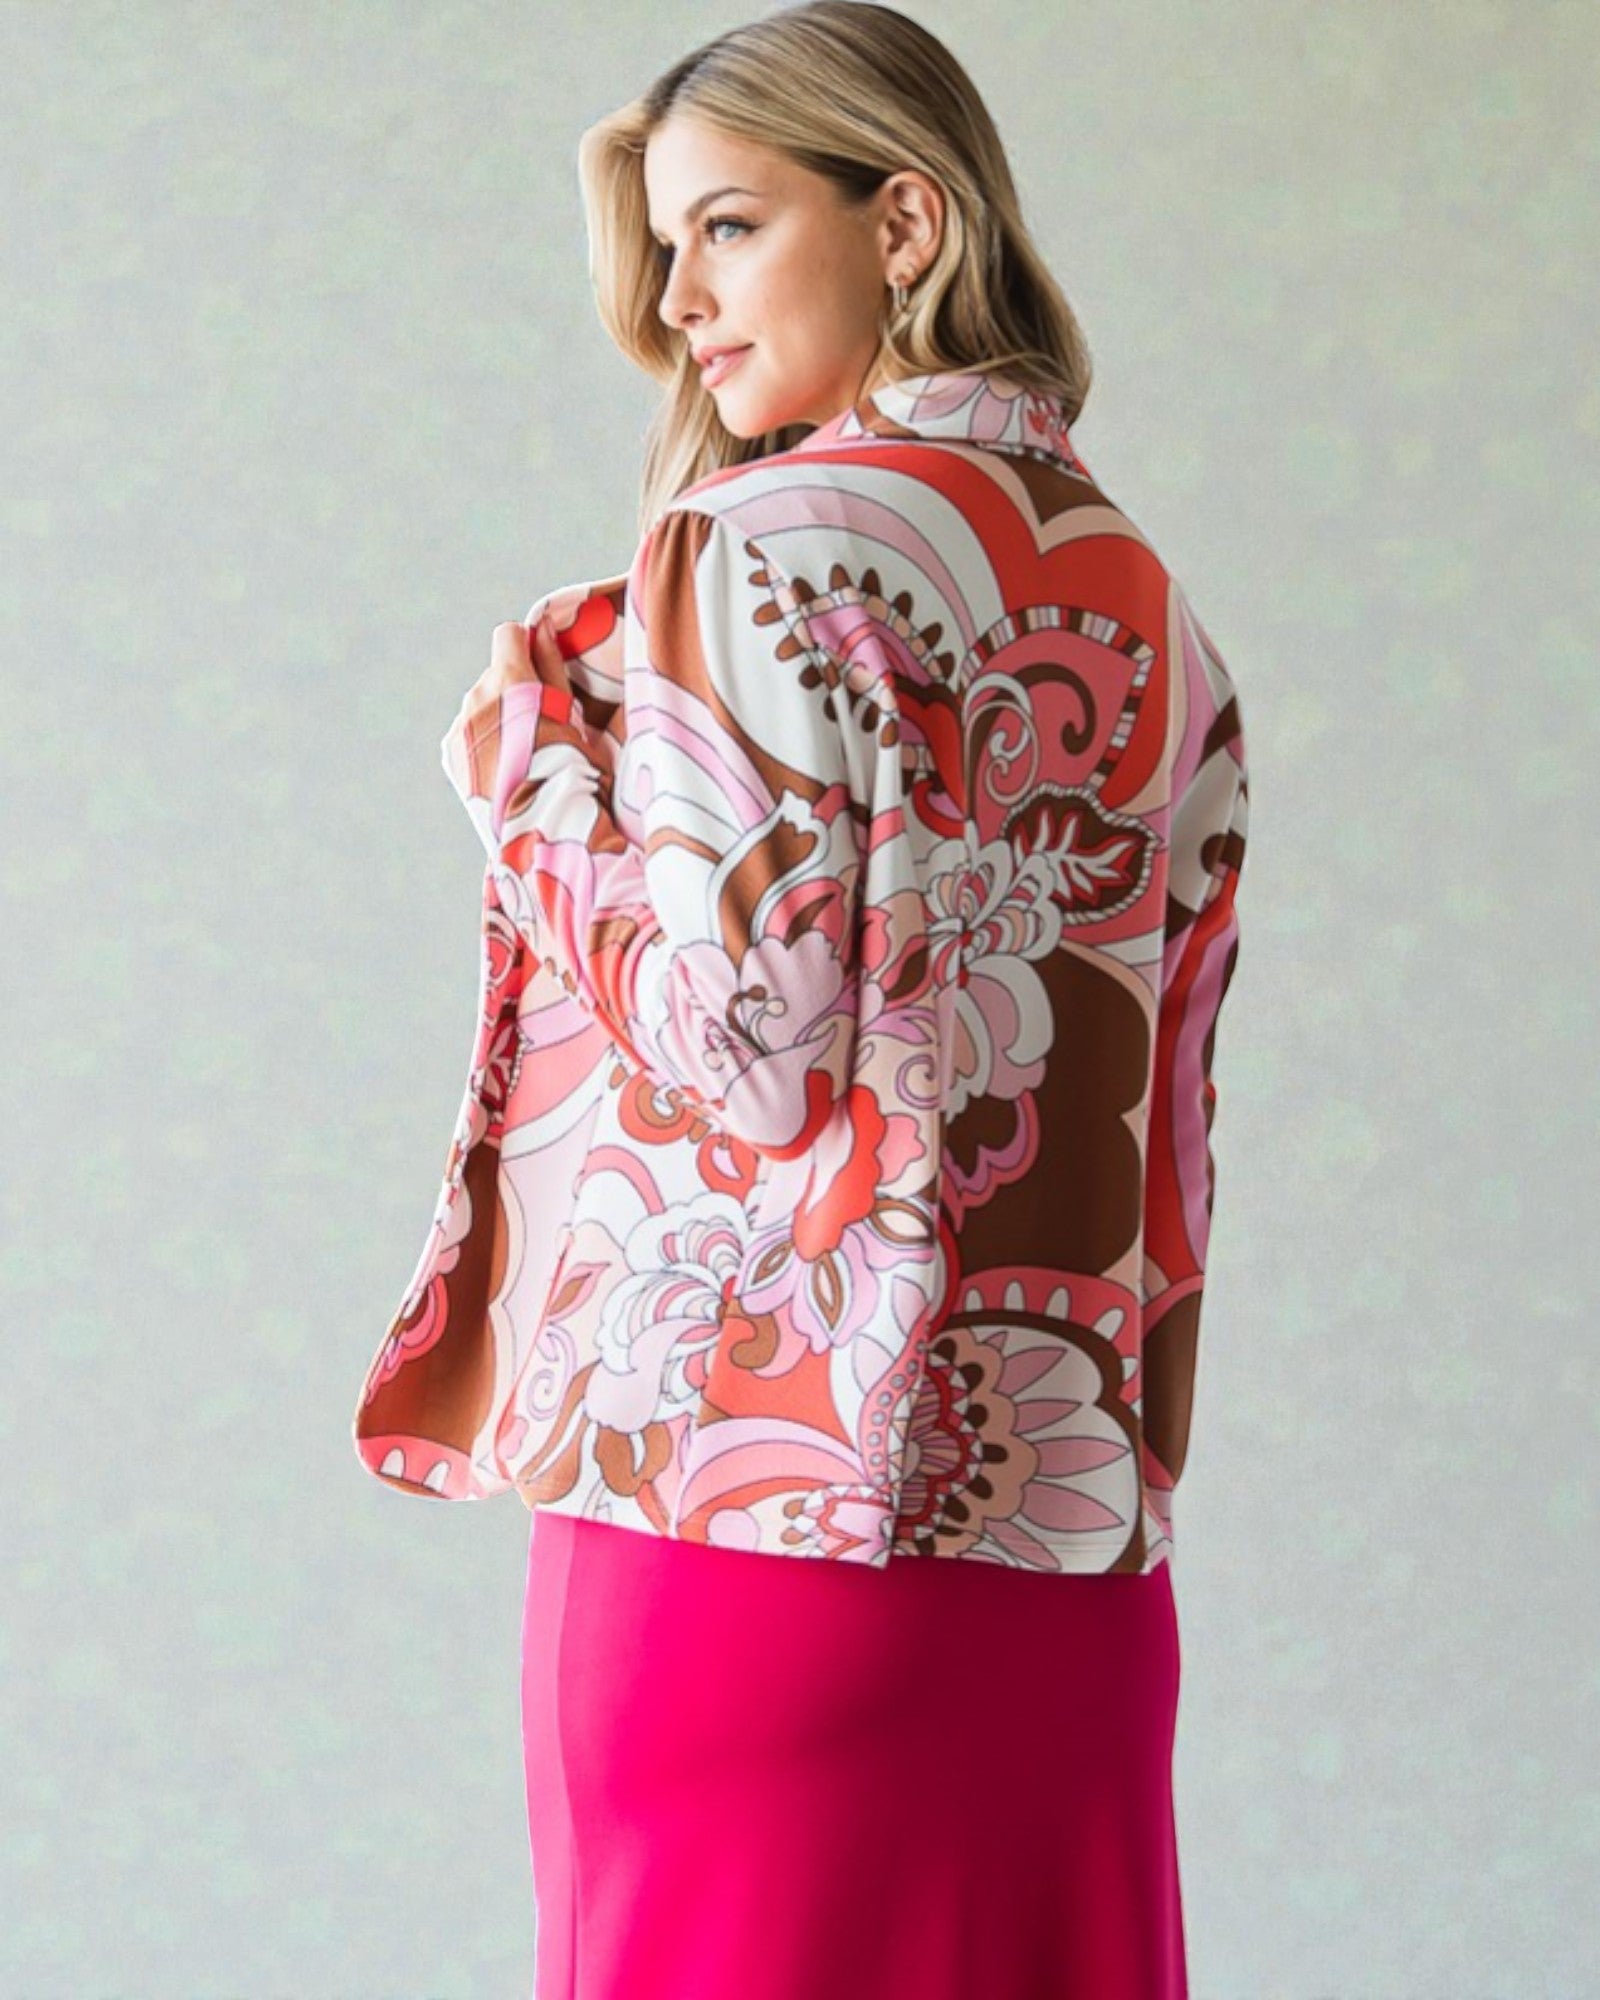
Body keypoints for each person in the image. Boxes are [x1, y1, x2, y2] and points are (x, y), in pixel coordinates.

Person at [352, 5, 1250, 1995]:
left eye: (728, 229)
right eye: (665, 250)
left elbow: (748, 1058)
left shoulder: (746, 541)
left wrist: (528, 795)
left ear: (905, 217)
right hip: (1059, 1553)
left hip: (743, 1521)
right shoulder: (1137, 591)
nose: (676, 306)